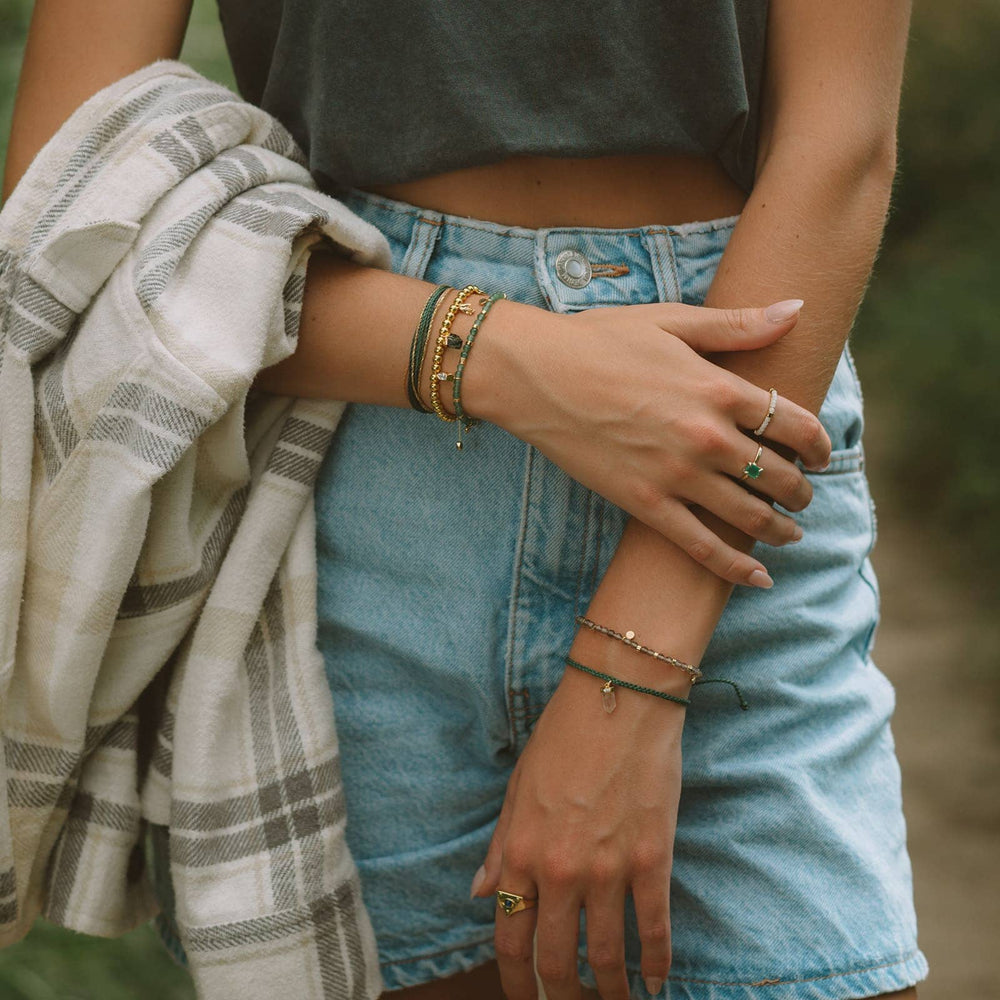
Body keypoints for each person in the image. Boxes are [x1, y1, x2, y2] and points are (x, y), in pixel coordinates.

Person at [3, 2, 926, 999]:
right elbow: (69, 215)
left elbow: (838, 143)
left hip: (733, 404)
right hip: (358, 445)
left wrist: (636, 672)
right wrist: (495, 354)